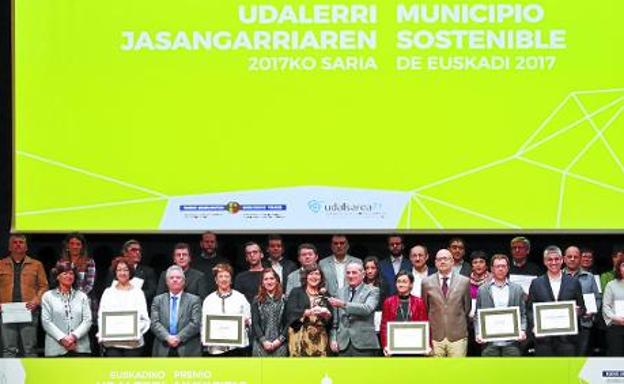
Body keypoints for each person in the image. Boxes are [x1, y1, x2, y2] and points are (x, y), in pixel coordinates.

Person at [527, 245, 584, 356]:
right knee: (545, 372)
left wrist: (579, 311)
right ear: (544, 262)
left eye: (556, 259)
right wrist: (535, 325)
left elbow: (582, 307)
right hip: (544, 339)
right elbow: (530, 309)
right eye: (550, 259)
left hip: (567, 339)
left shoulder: (574, 282)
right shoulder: (536, 283)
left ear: (562, 260)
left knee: (567, 372)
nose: (553, 262)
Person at [0, 233, 49, 357]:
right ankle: (9, 377)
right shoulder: (1, 264)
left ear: (26, 247)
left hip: (28, 310)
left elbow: (44, 286)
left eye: (21, 242)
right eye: (15, 242)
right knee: (8, 349)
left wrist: (36, 301)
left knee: (30, 348)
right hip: (7, 311)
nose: (18, 245)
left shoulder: (36, 265)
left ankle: (32, 376)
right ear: (9, 247)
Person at [422, 249, 472, 357]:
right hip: (435, 336)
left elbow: (467, 307)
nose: (442, 262)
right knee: (435, 372)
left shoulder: (464, 281)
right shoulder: (426, 282)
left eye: (445, 259)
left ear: (452, 261)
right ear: (435, 263)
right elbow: (426, 307)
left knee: (457, 372)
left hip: (458, 335)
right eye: (439, 259)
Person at [474, 254, 527, 356]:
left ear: (508, 268)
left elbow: (522, 314)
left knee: (513, 371)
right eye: (497, 266)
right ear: (492, 269)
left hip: (512, 342)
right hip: (489, 342)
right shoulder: (483, 290)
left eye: (503, 266)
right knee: (489, 371)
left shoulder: (517, 289)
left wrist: (523, 330)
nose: (500, 269)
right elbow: (477, 315)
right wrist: (478, 333)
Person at [98, 257, 150, 357]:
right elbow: (101, 317)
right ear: (115, 273)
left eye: (126, 270)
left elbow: (145, 319)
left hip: (133, 344)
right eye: (119, 270)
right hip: (112, 343)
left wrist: (133, 332)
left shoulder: (138, 292)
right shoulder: (108, 292)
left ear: (130, 272)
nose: (123, 273)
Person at [41, 261, 92, 357]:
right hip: (55, 348)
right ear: (57, 276)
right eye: (65, 273)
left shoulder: (82, 296)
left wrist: (73, 337)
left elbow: (87, 320)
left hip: (80, 348)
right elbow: (46, 322)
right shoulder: (48, 296)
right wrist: (63, 339)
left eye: (71, 273)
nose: (69, 276)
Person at [329, 262, 380, 356]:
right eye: (348, 273)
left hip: (364, 344)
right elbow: (335, 321)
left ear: (363, 274)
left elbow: (367, 308)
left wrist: (343, 304)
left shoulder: (372, 290)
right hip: (343, 344)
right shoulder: (340, 292)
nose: (350, 276)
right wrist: (333, 338)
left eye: (354, 273)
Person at [151, 265, 202, 357]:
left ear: (184, 281)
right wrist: (167, 337)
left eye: (178, 277)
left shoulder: (194, 300)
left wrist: (178, 338)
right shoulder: (157, 300)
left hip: (188, 349)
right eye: (171, 278)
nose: (175, 280)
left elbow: (196, 323)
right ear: (166, 282)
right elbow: (154, 323)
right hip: (163, 348)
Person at [202, 263, 251, 356]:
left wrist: (247, 322)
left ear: (231, 280)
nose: (224, 279)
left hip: (237, 349)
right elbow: (204, 324)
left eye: (227, 276)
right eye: (220, 276)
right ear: (216, 280)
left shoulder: (240, 298)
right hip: (215, 350)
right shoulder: (208, 300)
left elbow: (250, 319)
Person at [286, 264, 332, 357]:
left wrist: (327, 315)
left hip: (320, 339)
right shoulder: (296, 291)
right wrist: (307, 312)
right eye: (311, 274)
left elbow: (331, 318)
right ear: (305, 276)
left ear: (321, 277)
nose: (314, 277)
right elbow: (290, 311)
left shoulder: (325, 294)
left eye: (317, 274)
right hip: (299, 336)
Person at [563, 245, 601, 355]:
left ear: (579, 259)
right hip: (564, 325)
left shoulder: (589, 277)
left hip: (584, 323)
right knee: (564, 357)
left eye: (575, 257)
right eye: (569, 257)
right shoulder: (558, 276)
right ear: (564, 259)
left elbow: (597, 298)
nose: (572, 259)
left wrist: (593, 311)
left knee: (581, 357)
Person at [380, 270, 427, 356]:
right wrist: (385, 345)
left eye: (404, 282)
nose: (401, 284)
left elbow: (425, 325)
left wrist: (426, 345)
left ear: (411, 284)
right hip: (394, 347)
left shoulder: (419, 302)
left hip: (415, 347)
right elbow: (384, 326)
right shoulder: (388, 302)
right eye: (398, 281)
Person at [104, 240, 157, 305]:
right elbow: (109, 289)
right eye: (133, 250)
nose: (138, 252)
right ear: (125, 253)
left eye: (139, 250)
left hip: (139, 306)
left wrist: (132, 296)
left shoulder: (148, 271)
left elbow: (152, 291)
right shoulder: (114, 269)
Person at [251, 268, 288, 357]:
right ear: (262, 283)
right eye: (266, 279)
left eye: (272, 278)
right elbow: (255, 323)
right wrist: (264, 341)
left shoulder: (285, 299)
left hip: (280, 345)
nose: (269, 281)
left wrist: (278, 341)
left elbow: (288, 323)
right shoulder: (257, 300)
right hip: (261, 345)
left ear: (276, 281)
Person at [602, 258, 624, 356]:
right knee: (617, 356)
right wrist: (616, 318)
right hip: (616, 327)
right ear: (619, 268)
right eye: (623, 265)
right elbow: (606, 306)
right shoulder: (611, 285)